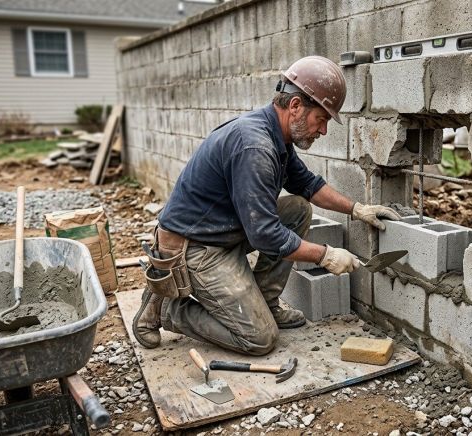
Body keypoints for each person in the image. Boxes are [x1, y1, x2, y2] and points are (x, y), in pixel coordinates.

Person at [132, 55, 401, 356]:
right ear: (296, 106)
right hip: (194, 247)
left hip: (224, 231)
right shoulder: (255, 146)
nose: (323, 130)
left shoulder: (277, 136)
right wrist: (325, 255)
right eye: (321, 119)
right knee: (258, 338)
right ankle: (168, 309)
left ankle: (264, 303)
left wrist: (357, 209)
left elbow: (307, 185)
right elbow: (264, 234)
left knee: (298, 208)